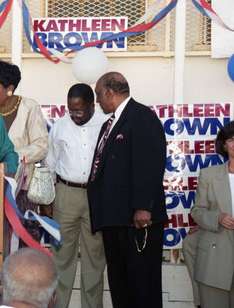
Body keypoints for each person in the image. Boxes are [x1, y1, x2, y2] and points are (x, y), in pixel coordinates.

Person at [87, 72, 167, 308]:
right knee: (121, 286)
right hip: (114, 221)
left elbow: (150, 164)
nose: (98, 101)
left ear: (110, 92)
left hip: (137, 221)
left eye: (98, 95)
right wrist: (102, 218)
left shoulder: (141, 117)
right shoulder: (109, 124)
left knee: (142, 286)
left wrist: (143, 207)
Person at [45, 84, 107, 308]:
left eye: (79, 111)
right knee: (61, 258)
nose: (74, 116)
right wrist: (48, 198)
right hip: (66, 194)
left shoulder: (106, 124)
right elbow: (50, 162)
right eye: (70, 110)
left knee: (95, 259)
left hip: (96, 197)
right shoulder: (60, 126)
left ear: (92, 106)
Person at [183, 112, 234, 308]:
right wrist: (218, 217)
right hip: (214, 263)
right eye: (231, 140)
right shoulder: (209, 175)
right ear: (224, 145)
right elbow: (197, 211)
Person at [0, 60, 48, 246]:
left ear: (10, 88)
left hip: (21, 187)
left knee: (23, 240)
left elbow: (41, 146)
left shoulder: (29, 107)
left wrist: (10, 158)